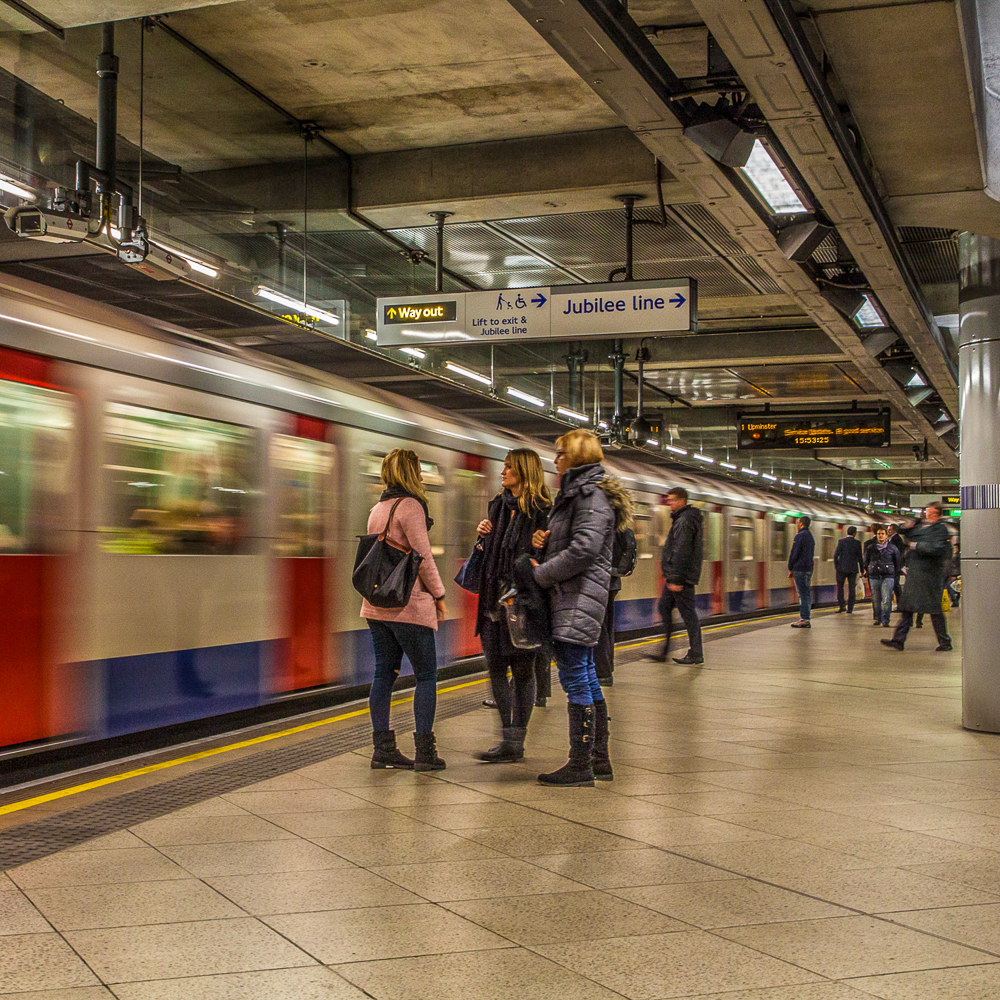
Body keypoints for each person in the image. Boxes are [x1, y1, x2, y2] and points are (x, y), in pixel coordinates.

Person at [531, 429, 616, 786]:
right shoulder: (578, 495)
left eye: (561, 453)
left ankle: (580, 763)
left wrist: (543, 574)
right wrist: (545, 541)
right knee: (585, 673)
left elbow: (584, 550)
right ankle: (598, 758)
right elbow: (575, 542)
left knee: (575, 675)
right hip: (573, 594)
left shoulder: (589, 496)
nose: (555, 460)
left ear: (578, 457)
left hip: (577, 595)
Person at [362, 448, 448, 771]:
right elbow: (422, 557)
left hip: (376, 607)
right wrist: (439, 595)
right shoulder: (410, 507)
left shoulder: (377, 509)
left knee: (383, 674)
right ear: (411, 473)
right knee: (426, 675)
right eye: (419, 471)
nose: (423, 477)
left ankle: (383, 748)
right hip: (408, 606)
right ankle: (425, 753)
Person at [473, 449, 551, 764]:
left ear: (524, 471)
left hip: (523, 602)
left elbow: (547, 560)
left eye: (508, 468)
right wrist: (480, 539)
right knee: (494, 669)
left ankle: (517, 740)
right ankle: (507, 736)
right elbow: (483, 553)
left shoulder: (543, 511)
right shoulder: (497, 507)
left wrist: (542, 547)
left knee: (522, 671)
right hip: (493, 600)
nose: (502, 473)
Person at [881, 502, 953, 652]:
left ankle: (945, 641)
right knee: (907, 608)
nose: (927, 515)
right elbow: (903, 533)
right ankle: (898, 640)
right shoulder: (919, 526)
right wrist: (907, 526)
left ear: (938, 514)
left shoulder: (940, 529)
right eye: (926, 512)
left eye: (931, 513)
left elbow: (937, 548)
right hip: (915, 574)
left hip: (930, 575)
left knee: (934, 610)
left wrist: (916, 545)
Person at [648, 487, 704, 664]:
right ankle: (664, 651)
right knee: (665, 607)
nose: (668, 503)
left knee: (688, 615)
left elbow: (681, 550)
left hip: (680, 578)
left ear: (681, 500)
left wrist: (675, 579)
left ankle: (695, 653)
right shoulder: (683, 519)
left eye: (671, 500)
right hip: (678, 576)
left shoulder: (684, 521)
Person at [594, 475, 636, 685]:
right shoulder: (619, 518)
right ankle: (606, 668)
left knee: (599, 627)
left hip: (601, 576)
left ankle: (602, 672)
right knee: (606, 626)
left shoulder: (603, 517)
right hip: (612, 578)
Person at [865, 525, 902, 627]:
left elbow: (897, 562)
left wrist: (895, 574)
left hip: (888, 576)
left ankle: (885, 620)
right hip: (874, 576)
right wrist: (869, 570)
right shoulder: (870, 548)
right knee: (876, 600)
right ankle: (877, 618)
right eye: (878, 534)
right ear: (876, 535)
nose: (880, 536)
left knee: (886, 599)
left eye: (882, 534)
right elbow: (866, 561)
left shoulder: (893, 549)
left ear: (886, 536)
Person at [788, 515, 815, 628]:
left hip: (800, 569)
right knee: (806, 594)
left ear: (801, 523)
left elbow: (794, 553)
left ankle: (804, 619)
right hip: (808, 568)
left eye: (798, 522)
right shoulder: (810, 536)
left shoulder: (799, 536)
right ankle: (806, 618)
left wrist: (790, 567)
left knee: (802, 594)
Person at [833, 526, 864, 613]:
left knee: (840, 588)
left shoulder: (841, 542)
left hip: (841, 569)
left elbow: (836, 555)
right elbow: (860, 558)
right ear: (854, 533)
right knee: (851, 588)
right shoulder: (857, 543)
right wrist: (862, 570)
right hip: (852, 569)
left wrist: (837, 566)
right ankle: (850, 608)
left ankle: (842, 606)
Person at [887, 523, 905, 608]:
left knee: (895, 586)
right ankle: (900, 604)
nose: (888, 531)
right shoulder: (896, 539)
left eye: (890, 530)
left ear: (895, 530)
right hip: (896, 565)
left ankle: (900, 604)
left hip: (894, 565)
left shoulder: (895, 539)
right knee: (895, 585)